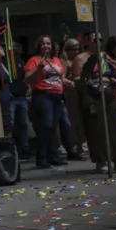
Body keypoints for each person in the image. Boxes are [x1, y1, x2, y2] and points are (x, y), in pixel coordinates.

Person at [78, 36, 116, 173]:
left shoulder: (105, 57)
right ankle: (101, 161)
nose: (98, 42)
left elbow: (114, 74)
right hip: (93, 97)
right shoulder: (82, 58)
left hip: (108, 95)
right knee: (97, 130)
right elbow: (80, 79)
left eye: (100, 40)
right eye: (95, 40)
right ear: (89, 42)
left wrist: (111, 79)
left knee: (114, 128)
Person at [25, 35, 75, 168]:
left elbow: (59, 78)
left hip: (57, 95)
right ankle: (41, 158)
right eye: (43, 44)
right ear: (38, 47)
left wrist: (67, 82)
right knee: (45, 126)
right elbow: (29, 80)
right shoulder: (34, 60)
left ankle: (53, 156)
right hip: (43, 95)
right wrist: (39, 69)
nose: (46, 46)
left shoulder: (57, 60)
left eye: (48, 44)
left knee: (53, 127)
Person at [59, 38, 87, 159]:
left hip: (81, 91)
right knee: (74, 120)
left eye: (78, 49)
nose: (76, 52)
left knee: (82, 119)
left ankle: (83, 144)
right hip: (69, 93)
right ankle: (77, 146)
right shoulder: (63, 62)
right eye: (73, 49)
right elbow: (61, 78)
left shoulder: (80, 59)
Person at [9, 42, 31, 158]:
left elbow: (26, 76)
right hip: (11, 97)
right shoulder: (5, 62)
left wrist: (28, 87)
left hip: (22, 96)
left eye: (16, 46)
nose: (14, 48)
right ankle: (11, 149)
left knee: (23, 123)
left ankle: (25, 148)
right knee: (10, 124)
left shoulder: (20, 61)